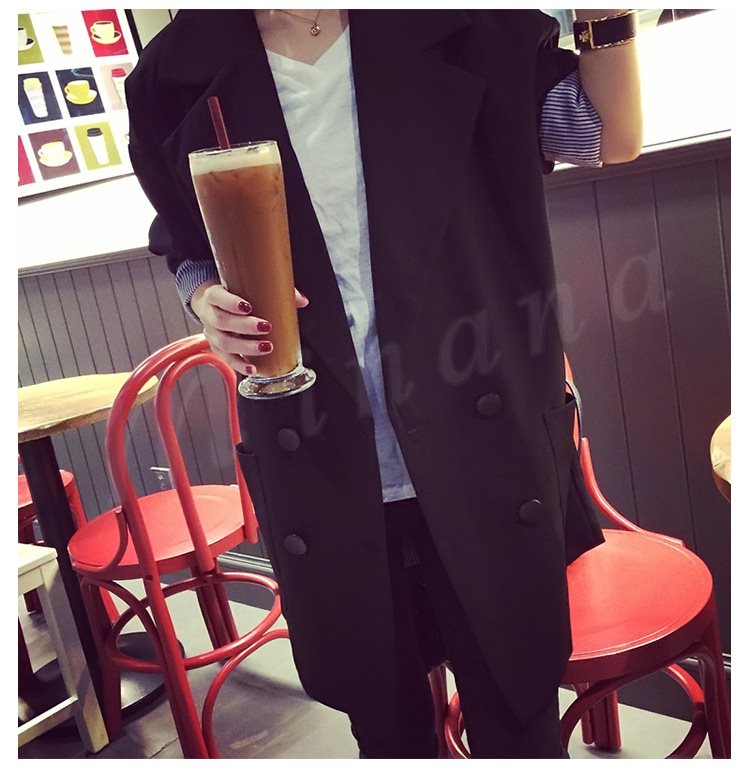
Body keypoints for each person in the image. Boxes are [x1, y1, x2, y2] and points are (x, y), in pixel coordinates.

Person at [126, 9, 642, 759]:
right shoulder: (175, 71)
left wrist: (605, 17)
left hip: (479, 437)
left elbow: (604, 133)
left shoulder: (451, 19)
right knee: (387, 731)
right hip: (319, 453)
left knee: (520, 719)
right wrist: (205, 300)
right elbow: (182, 238)